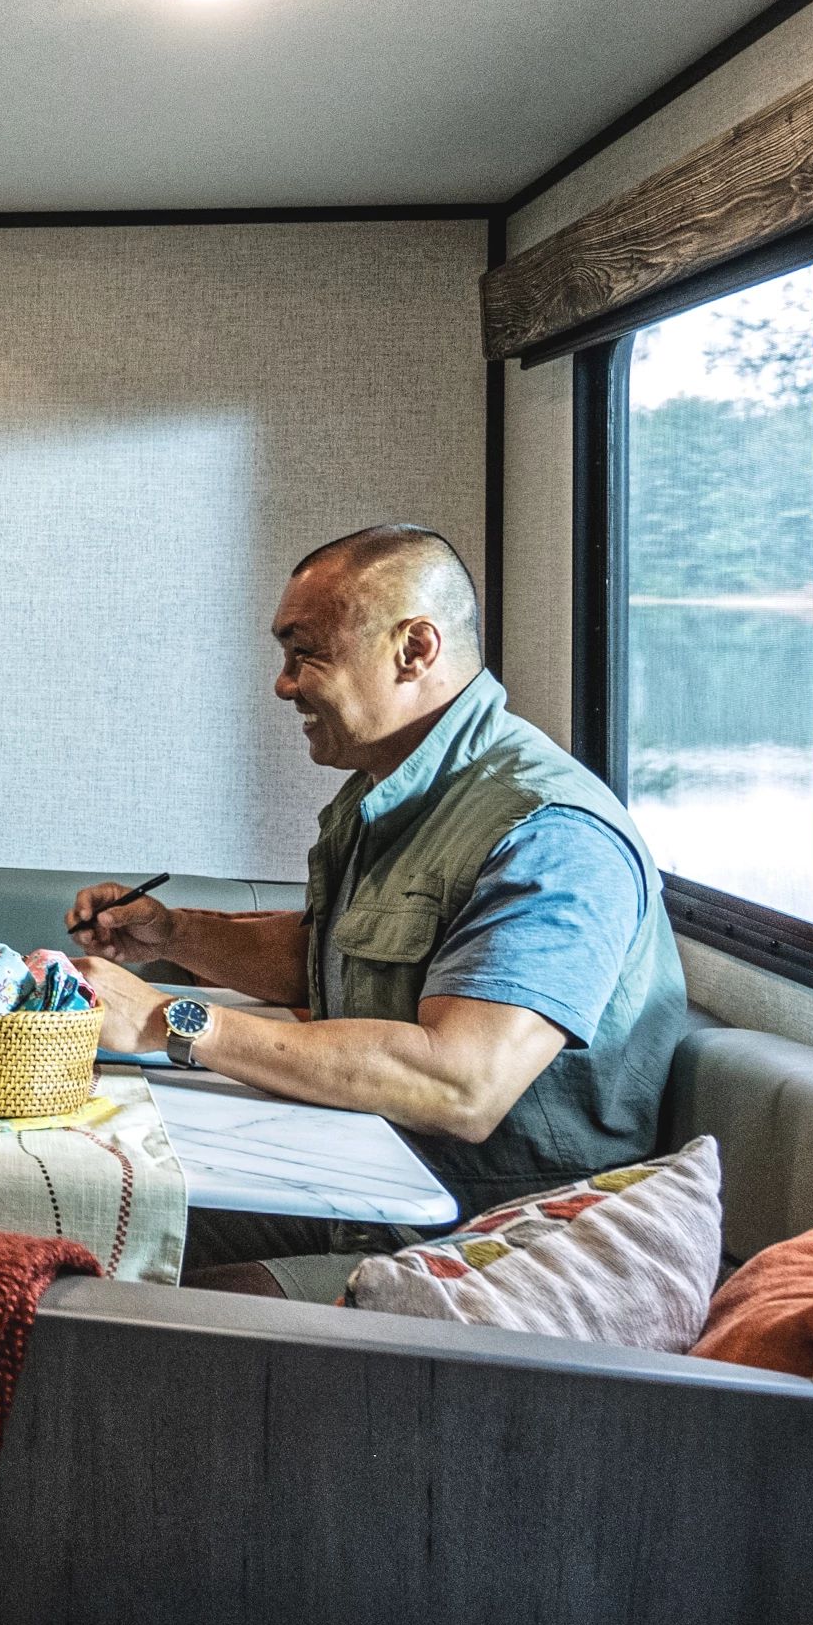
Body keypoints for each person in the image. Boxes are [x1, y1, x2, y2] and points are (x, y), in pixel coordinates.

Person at [72, 525, 689, 1261]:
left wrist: (169, 1020)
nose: (284, 682)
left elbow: (459, 1083)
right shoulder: (399, 794)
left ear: (415, 649)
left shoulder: (550, 831)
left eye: (306, 652)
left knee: (94, 1279)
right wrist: (172, 934)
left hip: (476, 1240)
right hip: (351, 1171)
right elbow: (332, 958)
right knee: (66, 1210)